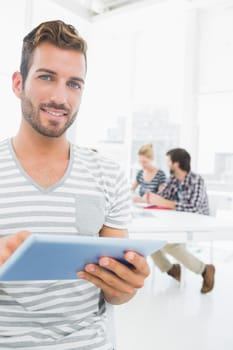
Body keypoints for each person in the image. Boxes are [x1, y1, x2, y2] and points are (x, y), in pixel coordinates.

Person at [0, 20, 150, 350]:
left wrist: (124, 285)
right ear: (17, 83)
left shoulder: (108, 174)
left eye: (74, 84)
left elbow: (117, 295)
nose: (60, 97)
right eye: (46, 77)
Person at [146, 148, 215, 294]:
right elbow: (163, 197)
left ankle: (205, 270)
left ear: (175, 164)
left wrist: (167, 203)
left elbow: (194, 208)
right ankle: (172, 269)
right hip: (177, 221)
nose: (167, 165)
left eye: (168, 162)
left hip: (198, 222)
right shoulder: (174, 180)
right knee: (150, 240)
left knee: (170, 245)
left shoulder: (197, 180)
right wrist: (153, 197)